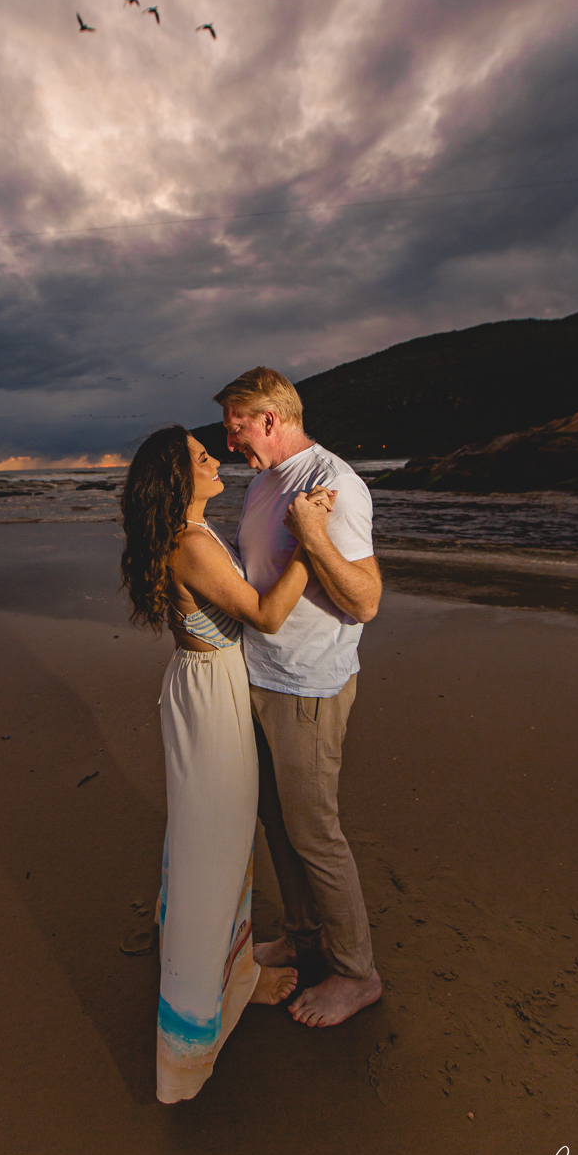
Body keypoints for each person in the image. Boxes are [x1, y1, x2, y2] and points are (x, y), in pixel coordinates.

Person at [120, 424, 333, 1103]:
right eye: (199, 457)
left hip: (205, 684)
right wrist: (311, 541)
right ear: (175, 479)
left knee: (216, 842)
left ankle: (236, 970)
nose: (215, 459)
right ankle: (192, 1023)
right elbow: (266, 616)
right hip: (211, 696)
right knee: (213, 849)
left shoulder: (192, 533)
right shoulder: (191, 544)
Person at [214, 366, 383, 1028]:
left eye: (237, 428)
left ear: (271, 419)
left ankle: (357, 973)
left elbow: (365, 600)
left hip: (307, 683)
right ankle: (304, 938)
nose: (230, 441)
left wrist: (312, 535)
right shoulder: (264, 481)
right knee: (276, 821)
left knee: (314, 833)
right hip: (260, 673)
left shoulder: (334, 484)